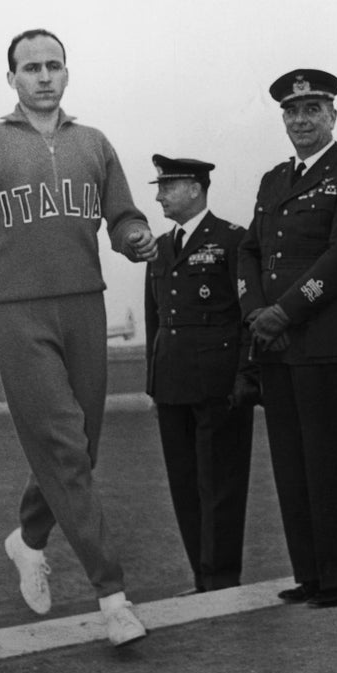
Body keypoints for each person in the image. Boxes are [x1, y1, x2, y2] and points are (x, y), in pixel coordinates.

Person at [0, 27, 158, 646]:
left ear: (66, 72)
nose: (43, 76)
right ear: (12, 78)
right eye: (30, 68)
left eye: (53, 65)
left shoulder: (93, 144)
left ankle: (28, 538)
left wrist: (133, 237)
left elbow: (121, 213)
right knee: (65, 449)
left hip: (84, 305)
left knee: (81, 449)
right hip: (17, 310)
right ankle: (114, 597)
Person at [238, 69, 337, 607]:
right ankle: (312, 575)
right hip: (277, 343)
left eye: (312, 110)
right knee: (293, 465)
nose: (301, 120)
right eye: (292, 112)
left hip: (328, 340)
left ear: (332, 117)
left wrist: (285, 311)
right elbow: (250, 250)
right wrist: (256, 311)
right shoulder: (275, 179)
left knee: (331, 462)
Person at [145, 155, 259, 594]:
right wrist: (153, 386)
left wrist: (245, 376)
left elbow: (248, 313)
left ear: (194, 188)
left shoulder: (232, 240)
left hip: (219, 384)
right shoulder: (159, 247)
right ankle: (201, 576)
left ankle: (222, 578)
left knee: (222, 486)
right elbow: (157, 322)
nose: (158, 196)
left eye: (166, 187)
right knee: (185, 487)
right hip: (173, 385)